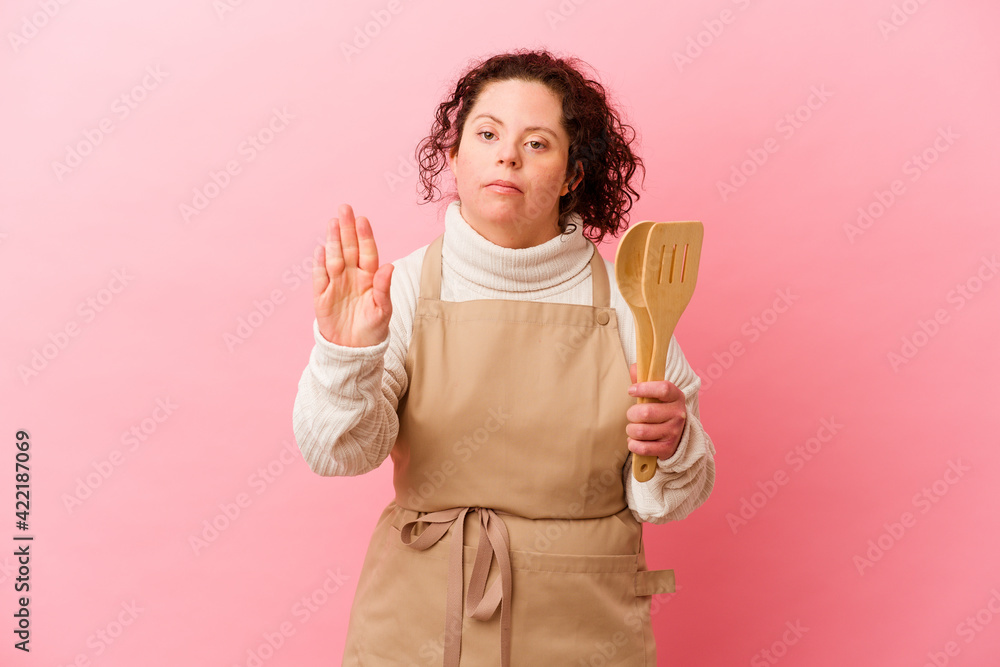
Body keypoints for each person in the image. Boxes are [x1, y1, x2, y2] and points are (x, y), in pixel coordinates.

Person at [292, 49, 715, 666]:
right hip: (419, 625)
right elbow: (336, 453)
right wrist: (345, 355)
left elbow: (666, 502)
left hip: (583, 627)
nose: (507, 155)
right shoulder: (402, 289)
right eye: (487, 134)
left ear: (573, 174)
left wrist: (673, 446)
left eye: (538, 143)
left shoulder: (635, 303)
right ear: (456, 156)